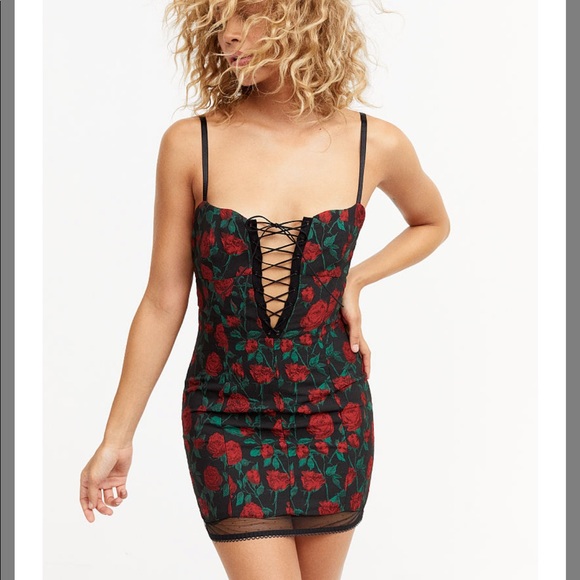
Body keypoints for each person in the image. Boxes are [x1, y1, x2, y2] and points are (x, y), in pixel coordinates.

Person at [79, 0, 450, 578]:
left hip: (334, 411)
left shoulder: (373, 143)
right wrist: (116, 436)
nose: (229, 34)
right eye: (222, 18)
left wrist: (355, 280)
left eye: (250, 13)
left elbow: (432, 222)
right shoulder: (192, 143)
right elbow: (162, 299)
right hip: (225, 415)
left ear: (307, 17)